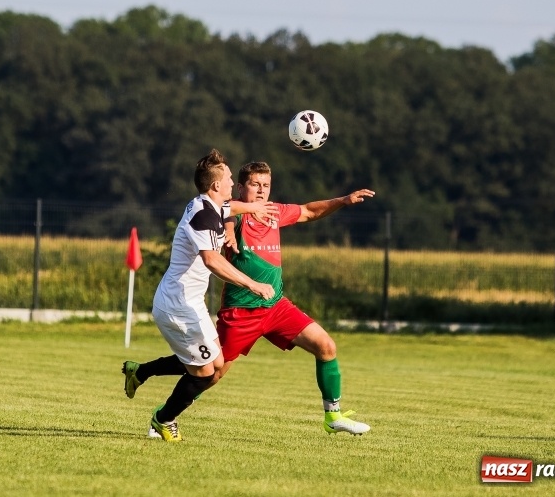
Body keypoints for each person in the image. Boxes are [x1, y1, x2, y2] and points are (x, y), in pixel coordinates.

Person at [125, 160, 375, 436]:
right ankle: (161, 408)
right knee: (211, 373)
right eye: (254, 184)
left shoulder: (272, 211)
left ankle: (333, 416)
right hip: (241, 312)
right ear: (241, 188)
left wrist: (343, 200)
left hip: (276, 307)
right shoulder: (228, 214)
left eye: (266, 185)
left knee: (325, 346)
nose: (261, 190)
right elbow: (227, 213)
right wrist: (230, 229)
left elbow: (307, 211)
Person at [123, 149, 277, 442]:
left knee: (215, 363)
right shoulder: (204, 215)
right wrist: (252, 284)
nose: (232, 182)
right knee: (206, 373)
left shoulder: (210, 204)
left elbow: (230, 207)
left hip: (189, 303)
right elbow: (212, 260)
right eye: (229, 178)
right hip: (177, 306)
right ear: (216, 185)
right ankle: (163, 420)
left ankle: (140, 372)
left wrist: (252, 208)